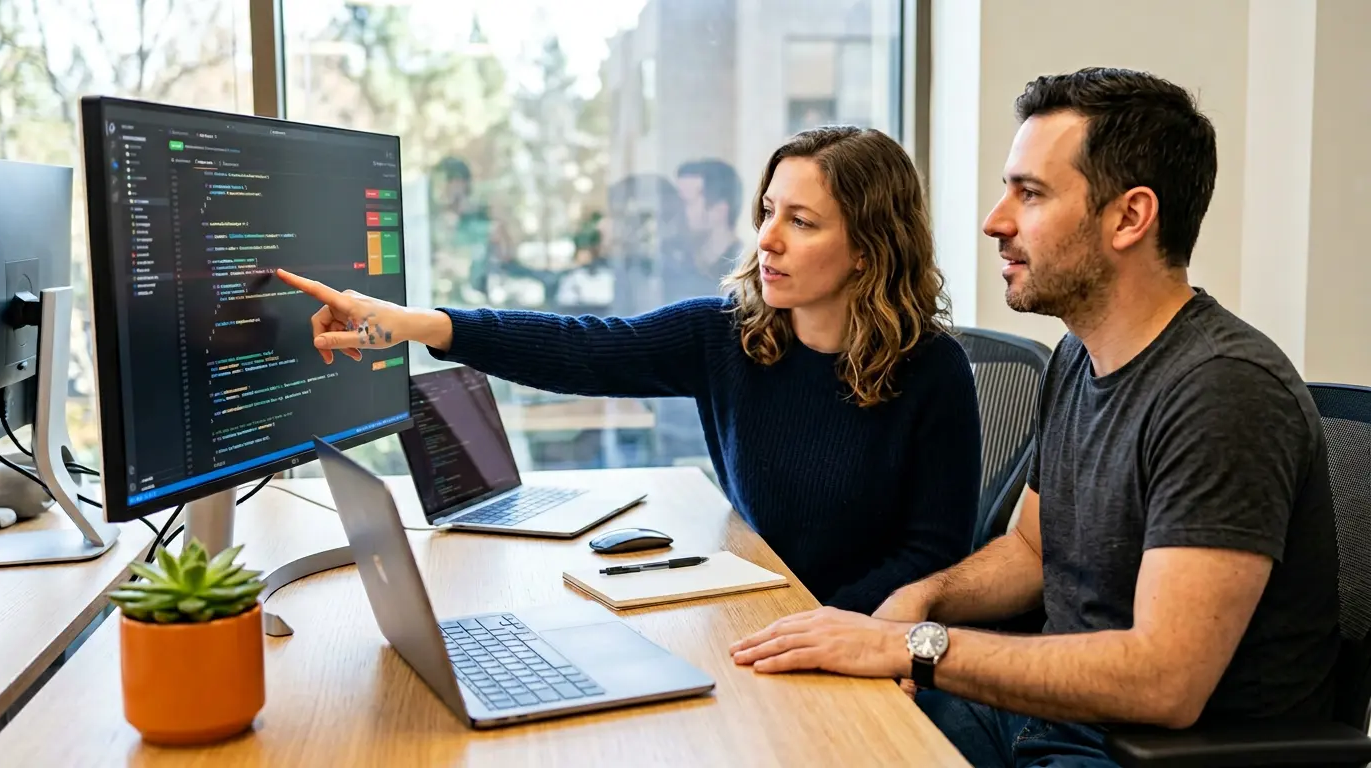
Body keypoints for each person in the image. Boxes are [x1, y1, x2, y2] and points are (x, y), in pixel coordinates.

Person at [728, 68, 1341, 766]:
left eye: (1031, 193)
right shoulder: (1081, 357)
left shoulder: (1224, 392)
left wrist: (912, 647)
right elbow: (1032, 551)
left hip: (1140, 752)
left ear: (1129, 217)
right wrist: (917, 601)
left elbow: (1165, 681)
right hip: (1042, 718)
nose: (997, 220)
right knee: (782, 724)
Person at [275, 126, 982, 615]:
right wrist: (420, 324)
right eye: (768, 210)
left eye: (802, 221)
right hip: (758, 606)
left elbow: (933, 552)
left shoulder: (933, 372)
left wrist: (817, 621)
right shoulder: (727, 334)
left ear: (867, 246)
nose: (766, 238)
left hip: (848, 640)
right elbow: (586, 347)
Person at [671, 158, 745, 301]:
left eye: (687, 203)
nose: (676, 211)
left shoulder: (744, 275)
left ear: (719, 210)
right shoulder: (677, 265)